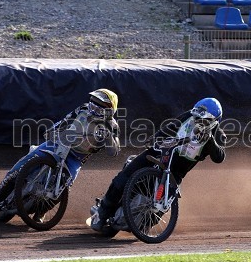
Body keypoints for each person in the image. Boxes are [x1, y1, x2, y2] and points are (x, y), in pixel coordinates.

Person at [90, 97, 226, 232]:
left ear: (214, 121)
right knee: (122, 179)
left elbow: (219, 157)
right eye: (197, 116)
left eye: (204, 120)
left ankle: (139, 224)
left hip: (176, 172)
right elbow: (171, 127)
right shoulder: (188, 116)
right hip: (157, 154)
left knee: (159, 209)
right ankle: (102, 214)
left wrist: (210, 140)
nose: (198, 121)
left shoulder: (218, 135)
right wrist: (156, 137)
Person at [0, 88, 120, 212]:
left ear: (109, 111)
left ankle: (41, 211)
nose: (93, 110)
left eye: (98, 108)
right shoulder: (82, 110)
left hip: (76, 158)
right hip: (57, 144)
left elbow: (113, 152)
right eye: (92, 105)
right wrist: (52, 132)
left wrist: (109, 138)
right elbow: (63, 122)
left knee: (64, 188)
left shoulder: (112, 126)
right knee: (23, 164)